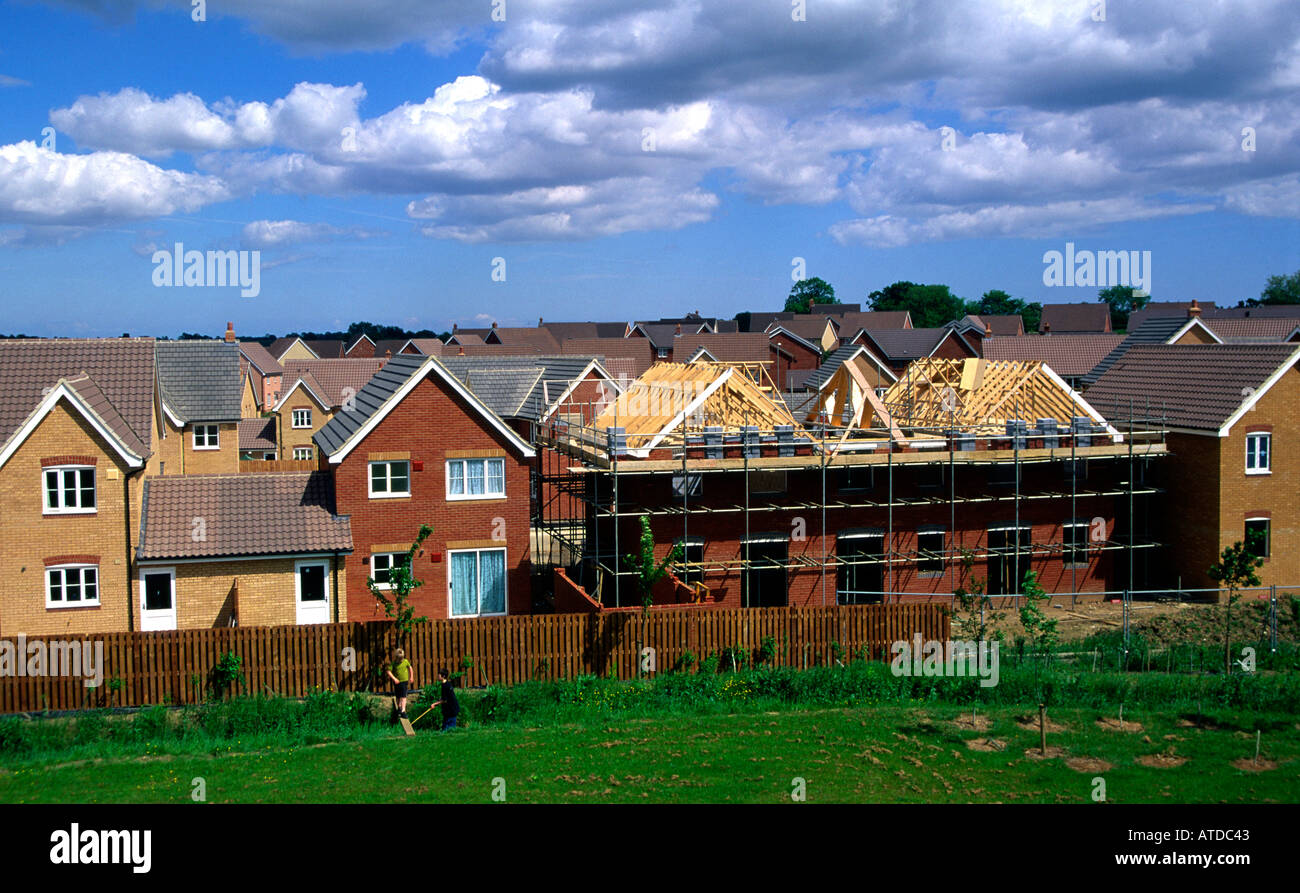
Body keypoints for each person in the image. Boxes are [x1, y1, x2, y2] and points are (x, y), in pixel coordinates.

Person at [386, 648, 412, 719]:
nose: (401, 660)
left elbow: (410, 668)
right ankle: (399, 708)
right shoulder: (394, 663)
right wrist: (394, 678)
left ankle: (403, 711)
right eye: (399, 659)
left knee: (403, 696)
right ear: (396, 658)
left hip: (404, 681)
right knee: (398, 696)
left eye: (402, 658)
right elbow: (388, 671)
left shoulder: (405, 661)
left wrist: (411, 677)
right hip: (397, 682)